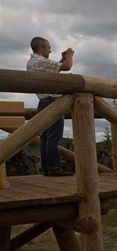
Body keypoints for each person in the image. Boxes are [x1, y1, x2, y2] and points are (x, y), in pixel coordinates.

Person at [26, 37, 75, 177]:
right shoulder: (40, 60)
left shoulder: (33, 62)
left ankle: (48, 168)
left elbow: (55, 69)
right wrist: (70, 55)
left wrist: (61, 60)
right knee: (54, 137)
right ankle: (54, 168)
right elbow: (67, 67)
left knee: (45, 137)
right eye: (48, 48)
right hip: (52, 100)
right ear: (40, 48)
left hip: (43, 101)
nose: (50, 50)